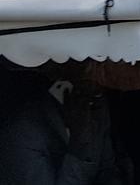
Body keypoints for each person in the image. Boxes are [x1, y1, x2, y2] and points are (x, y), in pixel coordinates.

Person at [0, 68, 131, 184]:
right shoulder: (24, 134)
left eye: (98, 93)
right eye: (86, 94)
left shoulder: (97, 109)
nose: (96, 105)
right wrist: (78, 147)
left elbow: (108, 170)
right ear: (65, 91)